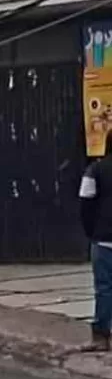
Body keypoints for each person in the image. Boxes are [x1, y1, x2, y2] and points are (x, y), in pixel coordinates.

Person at [79, 132, 112, 352]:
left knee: (104, 289)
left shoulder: (95, 170)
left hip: (103, 240)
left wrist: (92, 231)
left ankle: (101, 337)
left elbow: (85, 203)